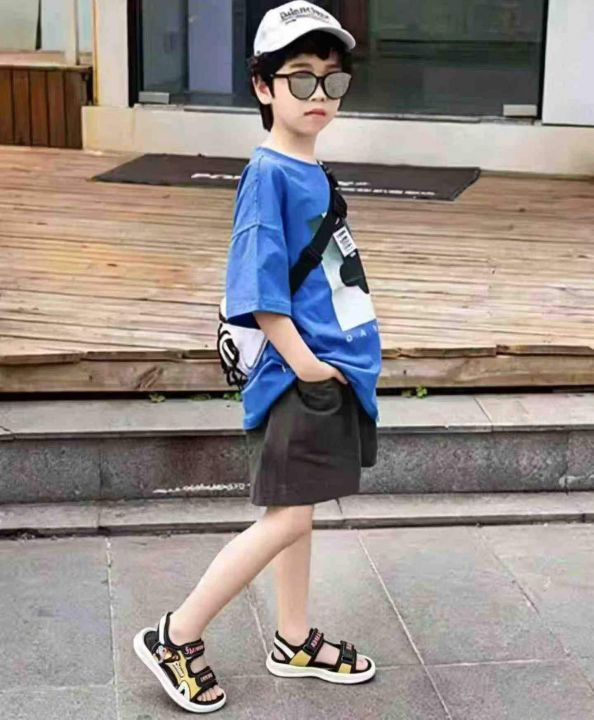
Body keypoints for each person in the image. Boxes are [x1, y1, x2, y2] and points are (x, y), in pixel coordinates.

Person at [132, 1, 382, 713]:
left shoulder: (308, 168)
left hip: (328, 372)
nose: (318, 95)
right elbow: (260, 290)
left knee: (298, 509)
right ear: (263, 87)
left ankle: (293, 638)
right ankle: (176, 635)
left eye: (332, 79)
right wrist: (308, 367)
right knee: (288, 518)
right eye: (300, 78)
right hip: (303, 376)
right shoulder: (268, 175)